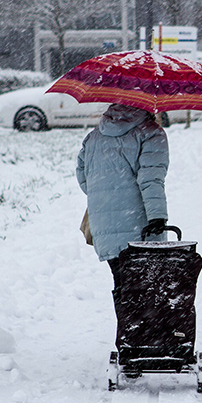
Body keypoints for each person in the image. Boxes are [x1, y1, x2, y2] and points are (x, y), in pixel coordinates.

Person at [75, 103, 169, 314]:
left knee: (122, 285)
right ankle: (145, 339)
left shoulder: (94, 136)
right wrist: (158, 217)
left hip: (104, 224)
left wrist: (106, 197)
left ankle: (128, 337)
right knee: (146, 288)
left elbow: (83, 177)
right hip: (139, 225)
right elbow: (150, 180)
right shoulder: (151, 133)